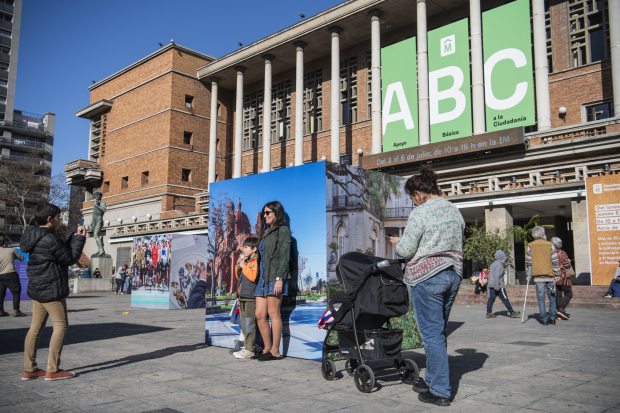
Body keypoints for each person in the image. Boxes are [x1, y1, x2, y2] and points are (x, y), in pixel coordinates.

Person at [389, 165, 464, 407]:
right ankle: (432, 379)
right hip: (452, 275)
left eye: (412, 198)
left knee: (431, 335)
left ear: (418, 194)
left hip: (428, 277)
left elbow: (407, 250)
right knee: (438, 332)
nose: (413, 202)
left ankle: (440, 391)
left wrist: (397, 242)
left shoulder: (420, 213)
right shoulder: (454, 210)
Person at [19, 202, 86, 381]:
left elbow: (59, 252)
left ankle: (29, 368)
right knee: (61, 326)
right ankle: (53, 369)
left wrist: (72, 236)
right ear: (50, 219)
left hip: (37, 287)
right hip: (51, 288)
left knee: (35, 328)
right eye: (58, 217)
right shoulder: (50, 239)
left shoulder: (32, 236)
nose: (59, 220)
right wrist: (79, 239)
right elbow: (69, 258)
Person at [255, 201, 291, 362]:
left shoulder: (282, 231)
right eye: (264, 213)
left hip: (275, 277)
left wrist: (279, 279)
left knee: (273, 313)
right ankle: (267, 348)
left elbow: (284, 255)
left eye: (268, 212)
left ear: (277, 213)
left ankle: (275, 351)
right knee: (260, 314)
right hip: (262, 278)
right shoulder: (266, 233)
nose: (265, 215)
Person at [526, 226, 561, 326]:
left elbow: (529, 262)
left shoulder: (530, 245)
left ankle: (544, 319)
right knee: (552, 297)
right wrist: (557, 274)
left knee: (541, 298)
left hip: (538, 276)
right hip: (550, 274)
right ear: (543, 234)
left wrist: (529, 275)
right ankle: (552, 317)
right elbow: (555, 261)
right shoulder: (550, 245)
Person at [234, 237, 259, 359]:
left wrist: (244, 266)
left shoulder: (256, 261)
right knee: (244, 324)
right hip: (243, 296)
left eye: (246, 247)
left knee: (249, 324)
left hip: (250, 297)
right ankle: (247, 346)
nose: (243, 249)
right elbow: (239, 277)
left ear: (254, 249)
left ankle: (250, 349)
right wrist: (239, 265)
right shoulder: (247, 262)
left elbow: (253, 276)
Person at [486, 250, 520, 319]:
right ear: (501, 257)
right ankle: (511, 312)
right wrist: (497, 287)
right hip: (498, 285)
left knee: (491, 299)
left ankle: (489, 313)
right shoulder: (499, 265)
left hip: (491, 284)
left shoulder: (493, 264)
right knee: (505, 298)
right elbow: (496, 276)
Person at [0, 237, 26, 317]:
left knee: (1, 294)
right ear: (4, 244)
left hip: (0, 275)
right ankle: (16, 310)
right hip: (11, 274)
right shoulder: (11, 250)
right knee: (16, 292)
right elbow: (22, 258)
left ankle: (0, 310)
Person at [551, 237, 572, 320]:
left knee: (558, 294)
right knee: (569, 293)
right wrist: (569, 262)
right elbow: (567, 264)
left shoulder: (550, 253)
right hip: (562, 276)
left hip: (554, 277)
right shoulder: (562, 253)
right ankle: (561, 309)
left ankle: (559, 313)